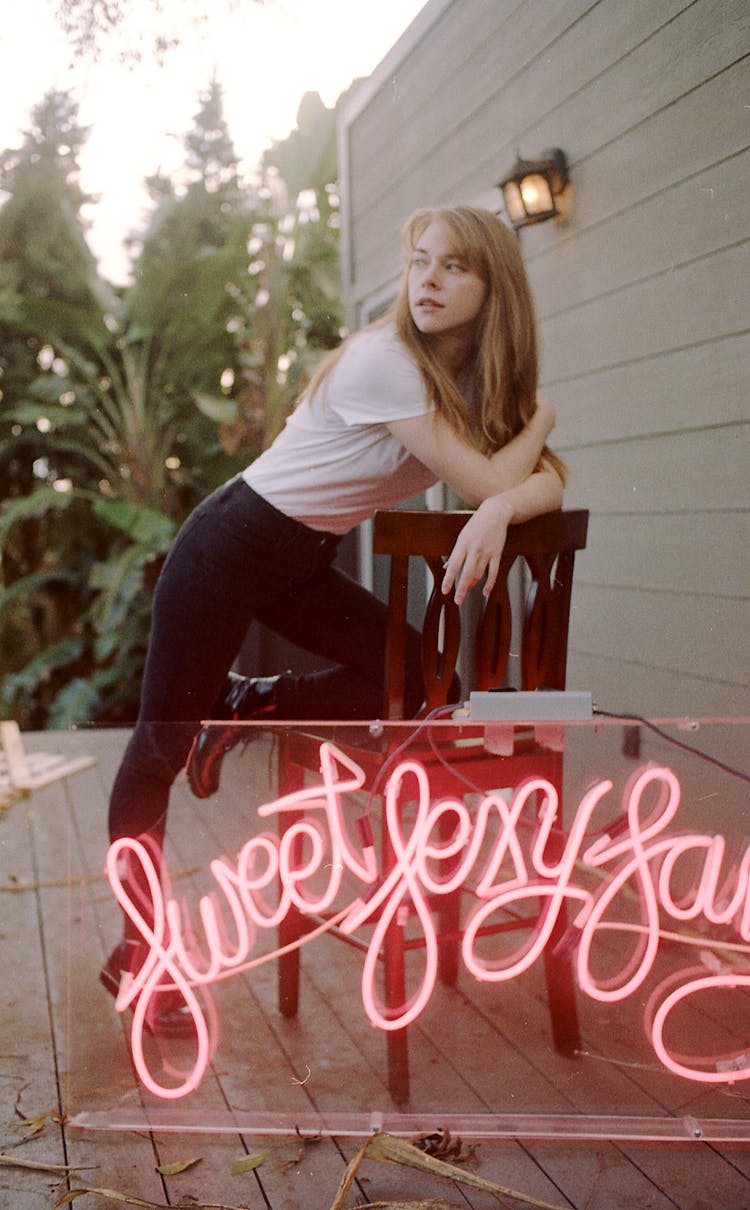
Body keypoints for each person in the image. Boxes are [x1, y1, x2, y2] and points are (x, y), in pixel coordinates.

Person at [101, 204, 566, 1029]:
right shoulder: (386, 360)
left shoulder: (469, 384)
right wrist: (528, 446)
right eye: (420, 261)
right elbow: (497, 477)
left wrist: (504, 496)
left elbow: (537, 485)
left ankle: (249, 703)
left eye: (454, 266)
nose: (427, 278)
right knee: (158, 744)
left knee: (427, 682)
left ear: (495, 286)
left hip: (298, 558)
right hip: (228, 543)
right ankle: (142, 948)